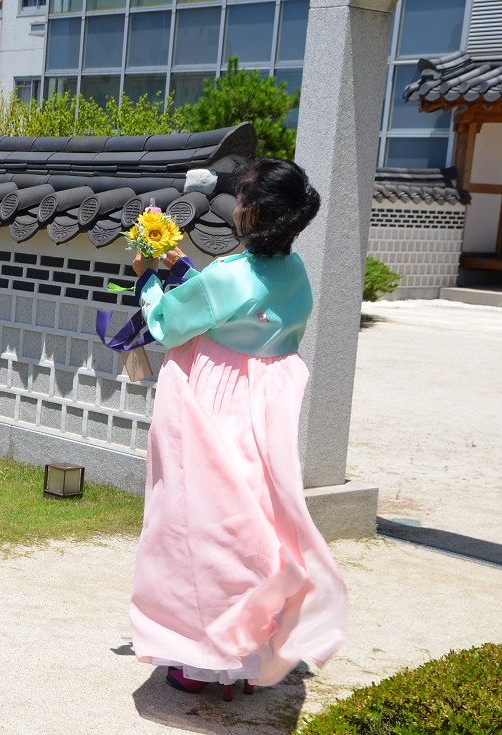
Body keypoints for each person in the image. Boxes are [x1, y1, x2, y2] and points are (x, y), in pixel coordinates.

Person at [127, 158, 347, 700]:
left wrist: (151, 280)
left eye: (243, 198)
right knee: (253, 524)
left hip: (207, 403)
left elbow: (171, 322)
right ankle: (249, 653)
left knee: (194, 525)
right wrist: (186, 275)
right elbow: (238, 310)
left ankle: (199, 659)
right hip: (261, 408)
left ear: (254, 215)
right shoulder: (293, 271)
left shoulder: (229, 273)